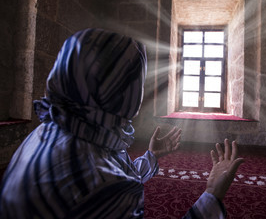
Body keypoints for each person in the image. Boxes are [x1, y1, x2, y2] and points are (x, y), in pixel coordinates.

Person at [0, 28, 244, 218]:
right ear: (122, 91)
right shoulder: (108, 188)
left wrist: (151, 156)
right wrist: (213, 194)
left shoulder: (52, 127)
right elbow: (103, 179)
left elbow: (106, 167)